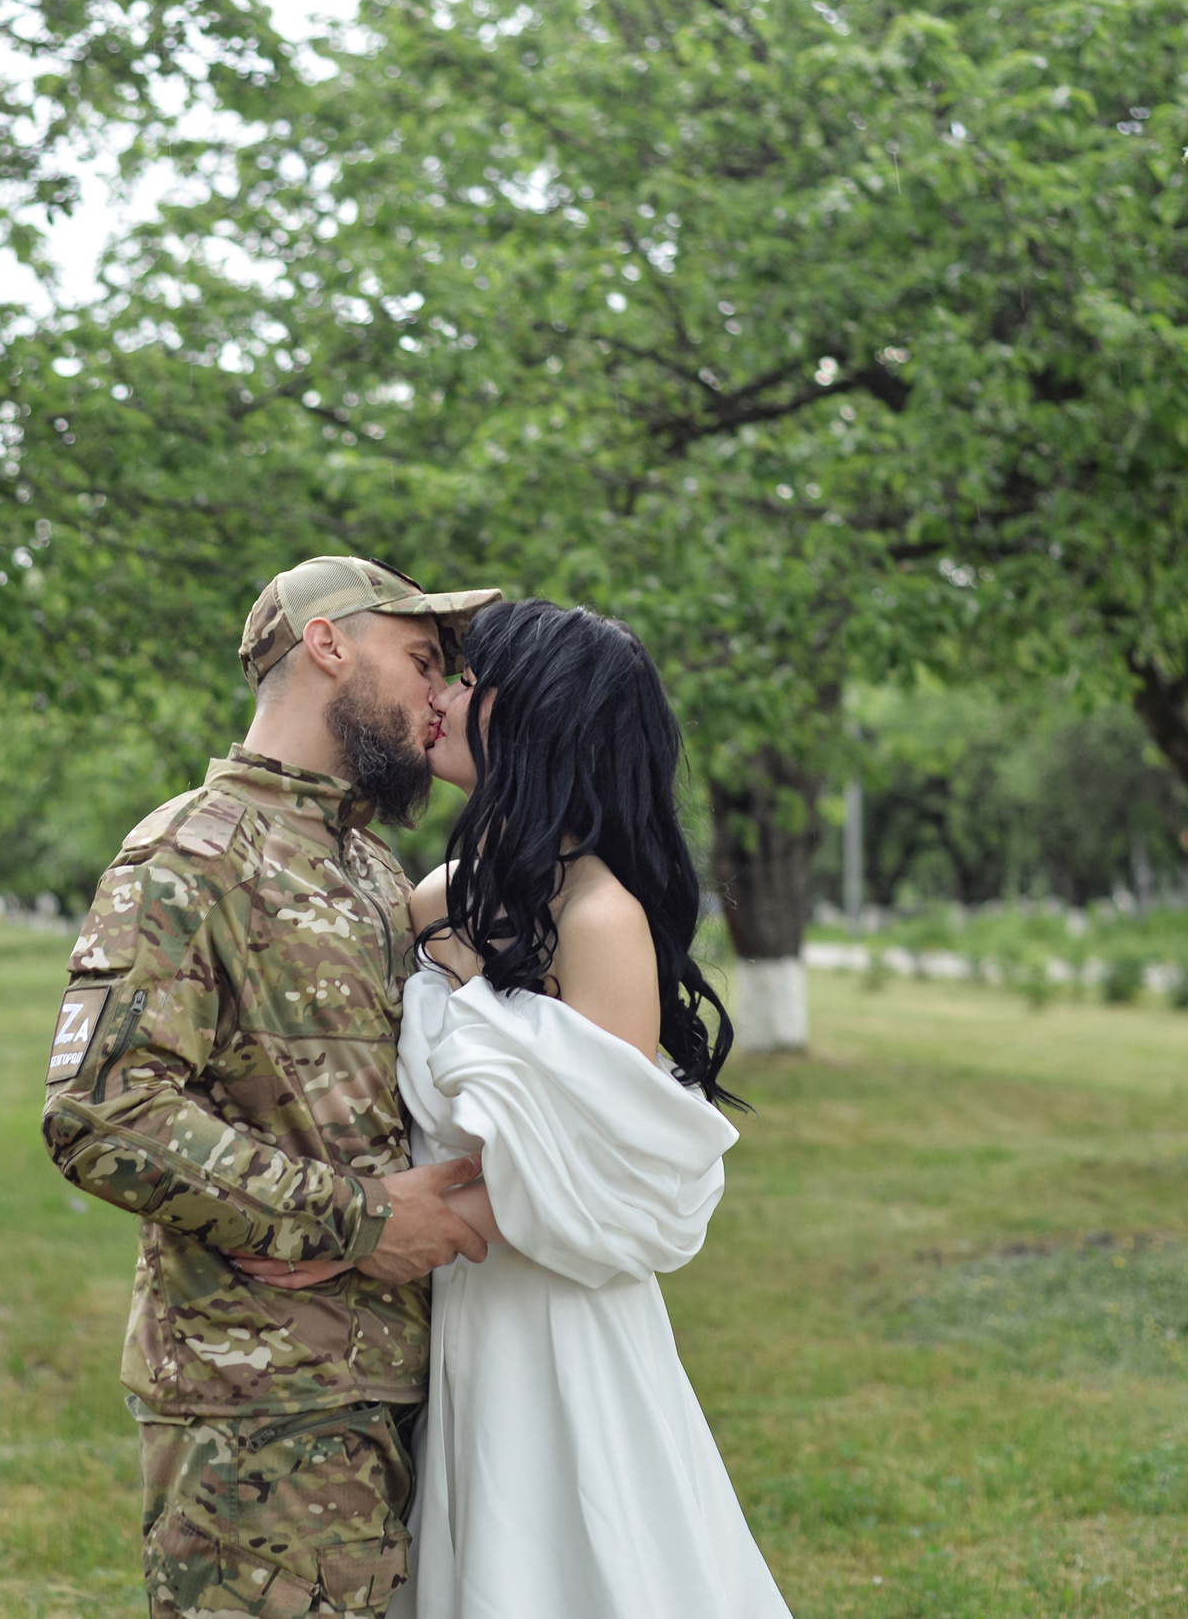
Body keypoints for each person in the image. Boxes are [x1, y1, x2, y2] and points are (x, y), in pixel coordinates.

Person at [235, 599, 793, 1618]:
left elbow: (593, 1161)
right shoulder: (450, 889)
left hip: (547, 1310)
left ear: (537, 712)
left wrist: (358, 1235)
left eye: (462, 679)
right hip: (449, 1306)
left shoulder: (601, 915)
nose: (436, 697)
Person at [42, 555, 503, 1618]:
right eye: (423, 659)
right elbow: (101, 1107)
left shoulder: (376, 868)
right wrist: (355, 1220)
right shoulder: (190, 850)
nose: (440, 694)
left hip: (396, 1378)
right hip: (257, 1407)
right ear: (327, 643)